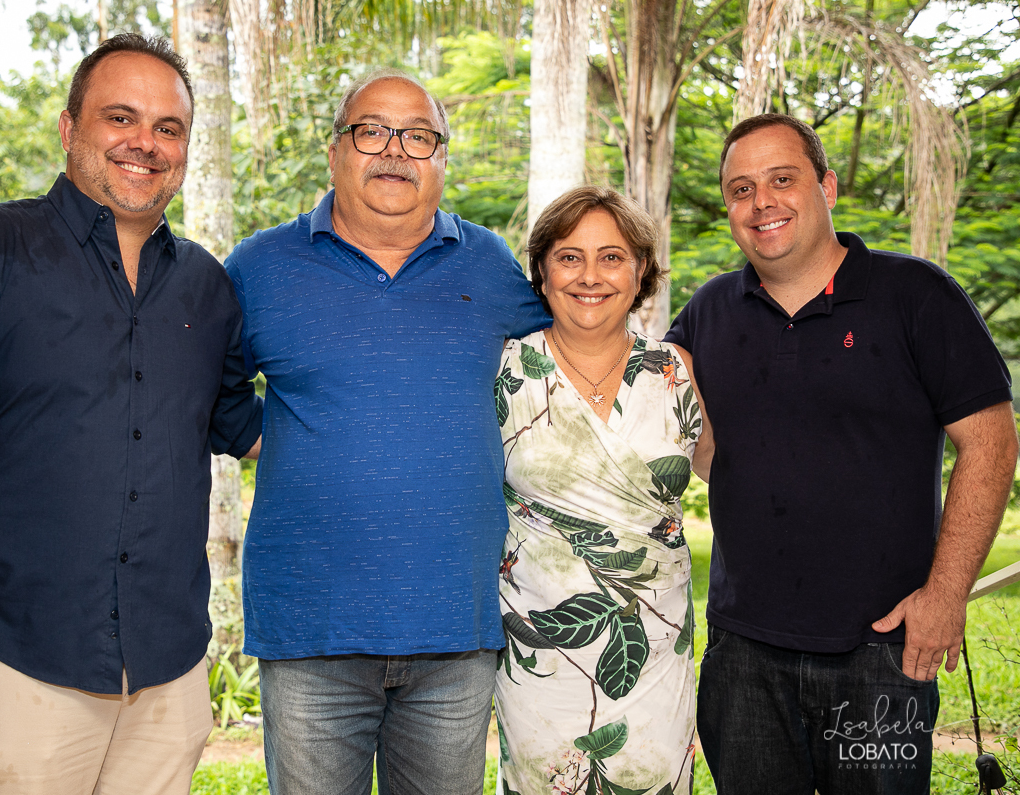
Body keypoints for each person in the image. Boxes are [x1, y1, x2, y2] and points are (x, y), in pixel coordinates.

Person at [0, 34, 263, 795]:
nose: (144, 143)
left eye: (167, 127)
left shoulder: (209, 288)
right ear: (68, 127)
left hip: (167, 670)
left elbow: (241, 428)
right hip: (23, 664)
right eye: (121, 117)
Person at [664, 113, 1018, 794]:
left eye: (783, 179)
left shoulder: (917, 296)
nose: (762, 201)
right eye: (741, 188)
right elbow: (695, 446)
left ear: (826, 186)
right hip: (743, 652)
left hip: (881, 650)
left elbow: (992, 443)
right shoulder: (707, 313)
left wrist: (946, 594)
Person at [223, 69, 549, 794]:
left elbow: (559, 371)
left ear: (441, 158)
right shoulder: (259, 267)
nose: (395, 151)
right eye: (371, 131)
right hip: (312, 631)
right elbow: (211, 393)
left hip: (455, 630)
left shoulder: (490, 265)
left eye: (419, 136)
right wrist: (299, 442)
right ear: (335, 151)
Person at [492, 186, 709, 795]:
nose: (590, 276)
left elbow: (745, 477)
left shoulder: (675, 372)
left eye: (612, 257)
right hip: (541, 651)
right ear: (541, 271)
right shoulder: (503, 371)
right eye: (569, 257)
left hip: (656, 645)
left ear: (641, 271)